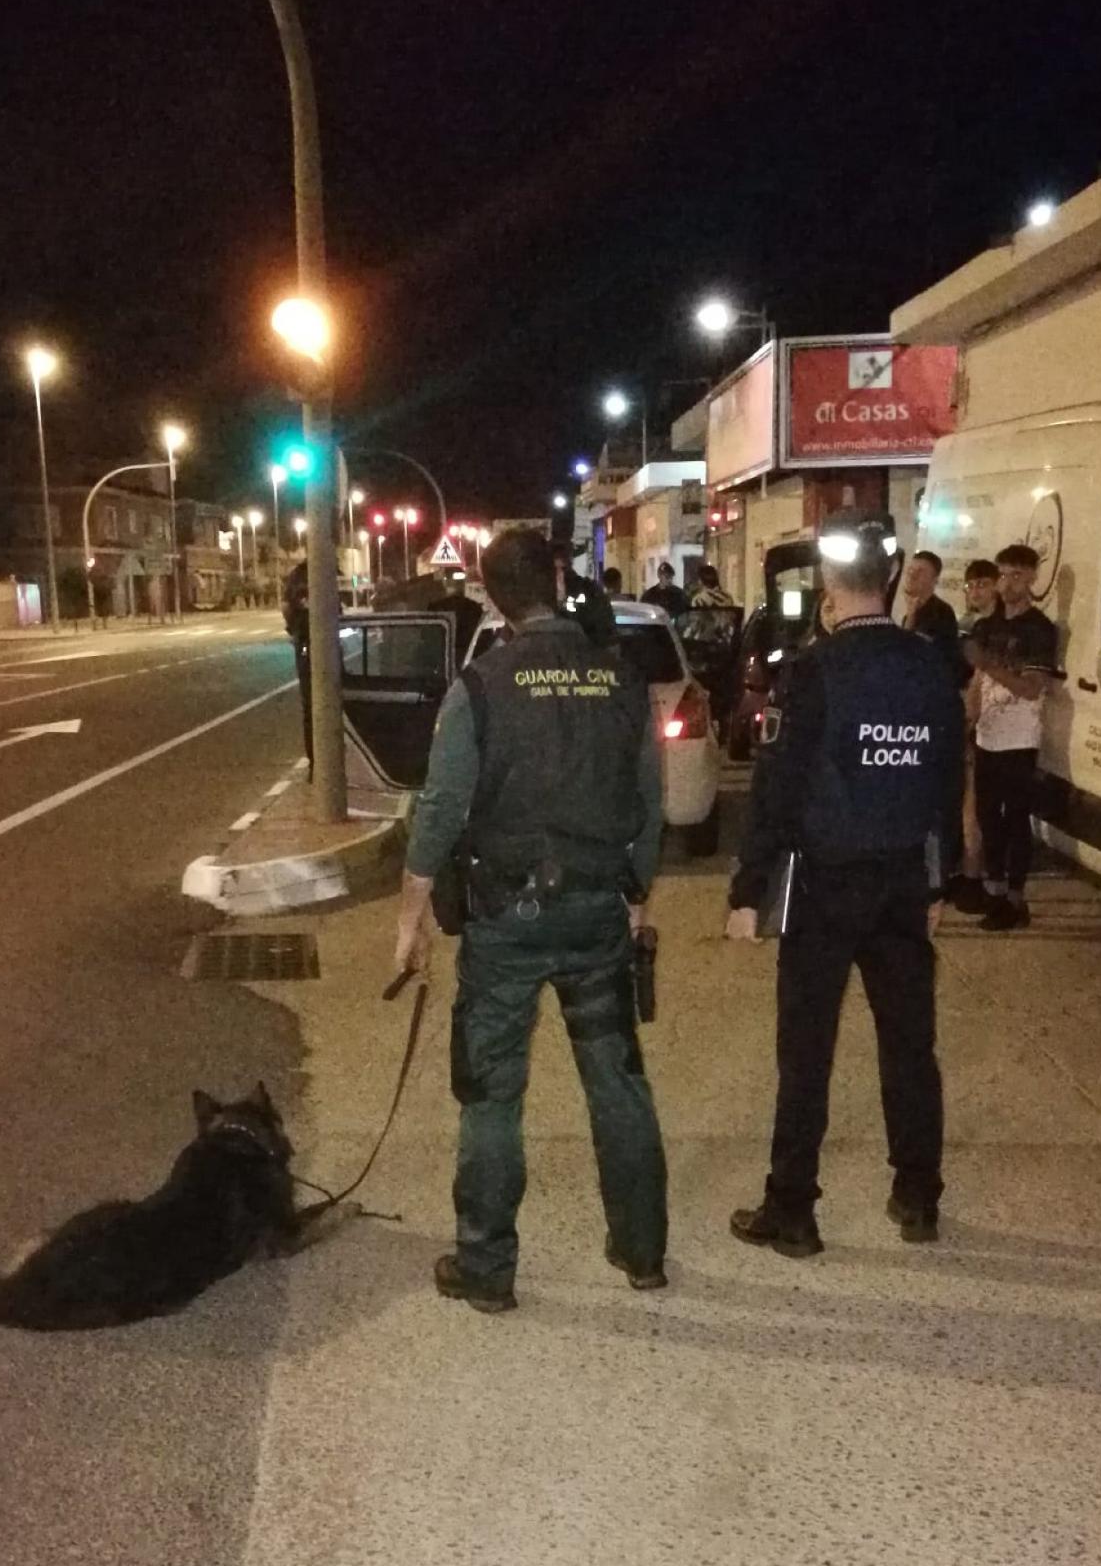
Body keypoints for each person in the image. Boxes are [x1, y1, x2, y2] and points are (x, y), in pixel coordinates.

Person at [392, 527, 668, 1312]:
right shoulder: (622, 679)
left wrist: (411, 918)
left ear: (490, 593)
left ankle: (487, 1270)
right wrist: (638, 894)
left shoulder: (480, 685)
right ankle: (642, 1252)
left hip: (505, 921)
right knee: (617, 1083)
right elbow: (648, 804)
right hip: (596, 913)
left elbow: (442, 808)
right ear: (554, 578)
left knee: (491, 1094)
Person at [725, 509, 963, 1255]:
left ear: (829, 581)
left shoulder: (812, 671)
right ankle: (918, 1197)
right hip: (902, 880)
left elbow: (777, 789)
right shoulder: (930, 664)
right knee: (910, 1046)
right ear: (890, 576)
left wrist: (747, 889)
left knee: (806, 1052)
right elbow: (947, 779)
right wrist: (940, 883)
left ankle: (792, 1211)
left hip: (825, 885)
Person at [965, 541, 1059, 930]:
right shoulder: (988, 627)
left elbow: (1032, 688)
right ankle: (995, 890)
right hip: (988, 735)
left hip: (1019, 739)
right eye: (1002, 575)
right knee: (988, 817)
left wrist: (988, 664)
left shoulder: (1039, 629)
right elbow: (977, 681)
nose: (1007, 584)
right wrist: (968, 720)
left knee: (1016, 819)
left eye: (1016, 575)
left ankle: (1016, 899)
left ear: (1033, 577)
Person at [947, 559, 1000, 912]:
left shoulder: (994, 629)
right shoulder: (967, 625)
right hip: (964, 716)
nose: (975, 591)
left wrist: (969, 718)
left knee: (975, 807)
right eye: (971, 585)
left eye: (982, 584)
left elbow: (980, 678)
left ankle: (975, 877)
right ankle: (967, 872)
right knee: (965, 804)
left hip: (982, 724)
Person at [899, 549, 965, 682]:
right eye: (910, 570)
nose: (912, 576)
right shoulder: (910, 613)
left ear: (934, 580)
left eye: (920, 572)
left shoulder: (942, 614)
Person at [552, 538, 616, 648]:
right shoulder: (539, 596)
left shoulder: (590, 593)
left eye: (563, 569)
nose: (559, 577)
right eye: (554, 571)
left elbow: (605, 635)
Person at [281, 557, 312, 771]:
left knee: (309, 706)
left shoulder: (295, 579)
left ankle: (314, 762)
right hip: (312, 645)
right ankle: (319, 760)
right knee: (317, 703)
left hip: (304, 643)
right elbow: (286, 607)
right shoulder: (306, 580)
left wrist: (293, 631)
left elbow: (285, 607)